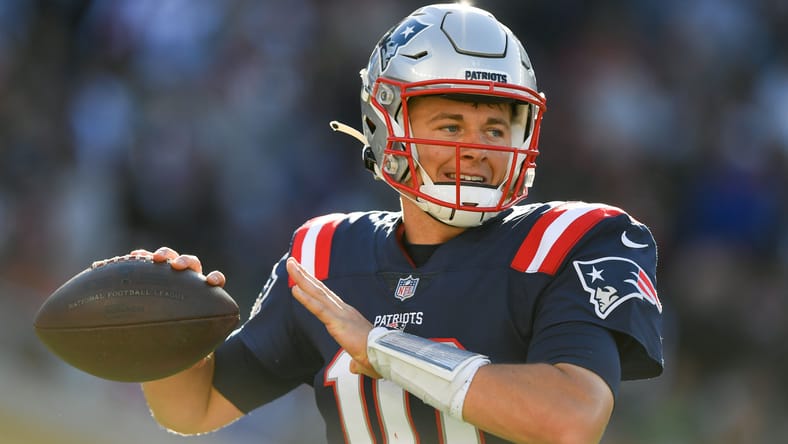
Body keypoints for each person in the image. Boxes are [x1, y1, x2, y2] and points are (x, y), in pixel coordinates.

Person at [136, 3, 664, 443]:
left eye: (495, 128)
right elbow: (192, 407)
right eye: (451, 125)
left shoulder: (573, 242)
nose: (477, 150)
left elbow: (571, 417)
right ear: (385, 129)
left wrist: (383, 349)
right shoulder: (326, 256)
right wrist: (162, 330)